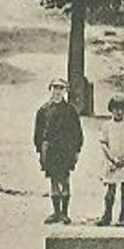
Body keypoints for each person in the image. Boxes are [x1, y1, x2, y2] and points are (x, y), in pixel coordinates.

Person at [34, 79, 83, 225]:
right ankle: (56, 212)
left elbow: (77, 133)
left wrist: (76, 150)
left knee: (65, 180)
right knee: (54, 181)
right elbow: (38, 132)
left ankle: (65, 213)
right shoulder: (43, 110)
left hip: (65, 150)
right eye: (55, 88)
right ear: (50, 89)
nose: (58, 91)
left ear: (66, 91)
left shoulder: (70, 111)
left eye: (61, 88)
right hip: (50, 150)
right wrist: (40, 151)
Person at [98, 95, 124, 226]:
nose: (118, 112)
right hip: (112, 161)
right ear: (111, 109)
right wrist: (112, 158)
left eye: (121, 109)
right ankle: (107, 215)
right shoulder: (106, 125)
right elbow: (104, 144)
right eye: (116, 109)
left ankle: (123, 216)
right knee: (110, 190)